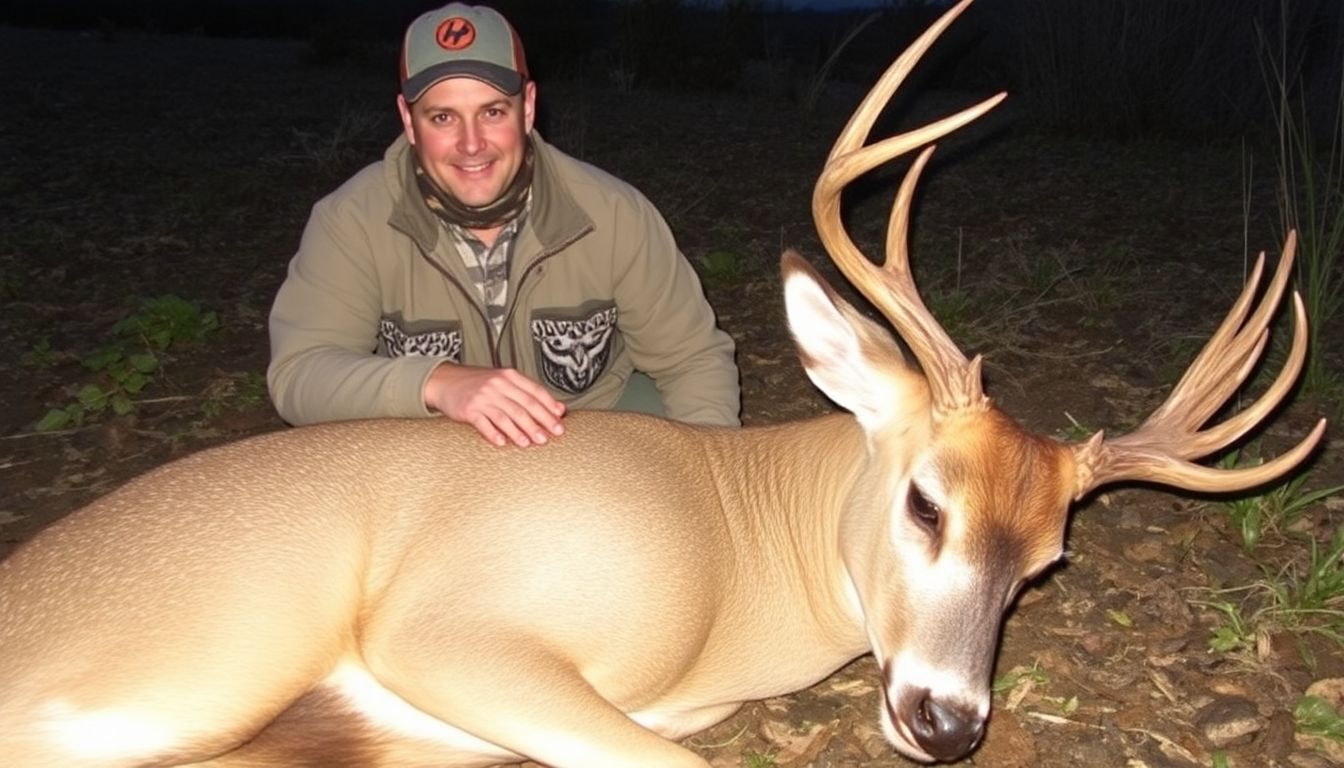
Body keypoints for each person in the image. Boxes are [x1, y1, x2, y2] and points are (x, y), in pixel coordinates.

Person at [267, 2, 740, 447]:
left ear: (528, 107)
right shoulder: (353, 221)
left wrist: (708, 484)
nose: (471, 144)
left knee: (681, 445)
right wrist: (437, 381)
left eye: (492, 112)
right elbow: (300, 373)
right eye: (443, 117)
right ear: (408, 122)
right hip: (430, 439)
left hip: (586, 427)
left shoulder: (613, 214)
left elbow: (692, 358)